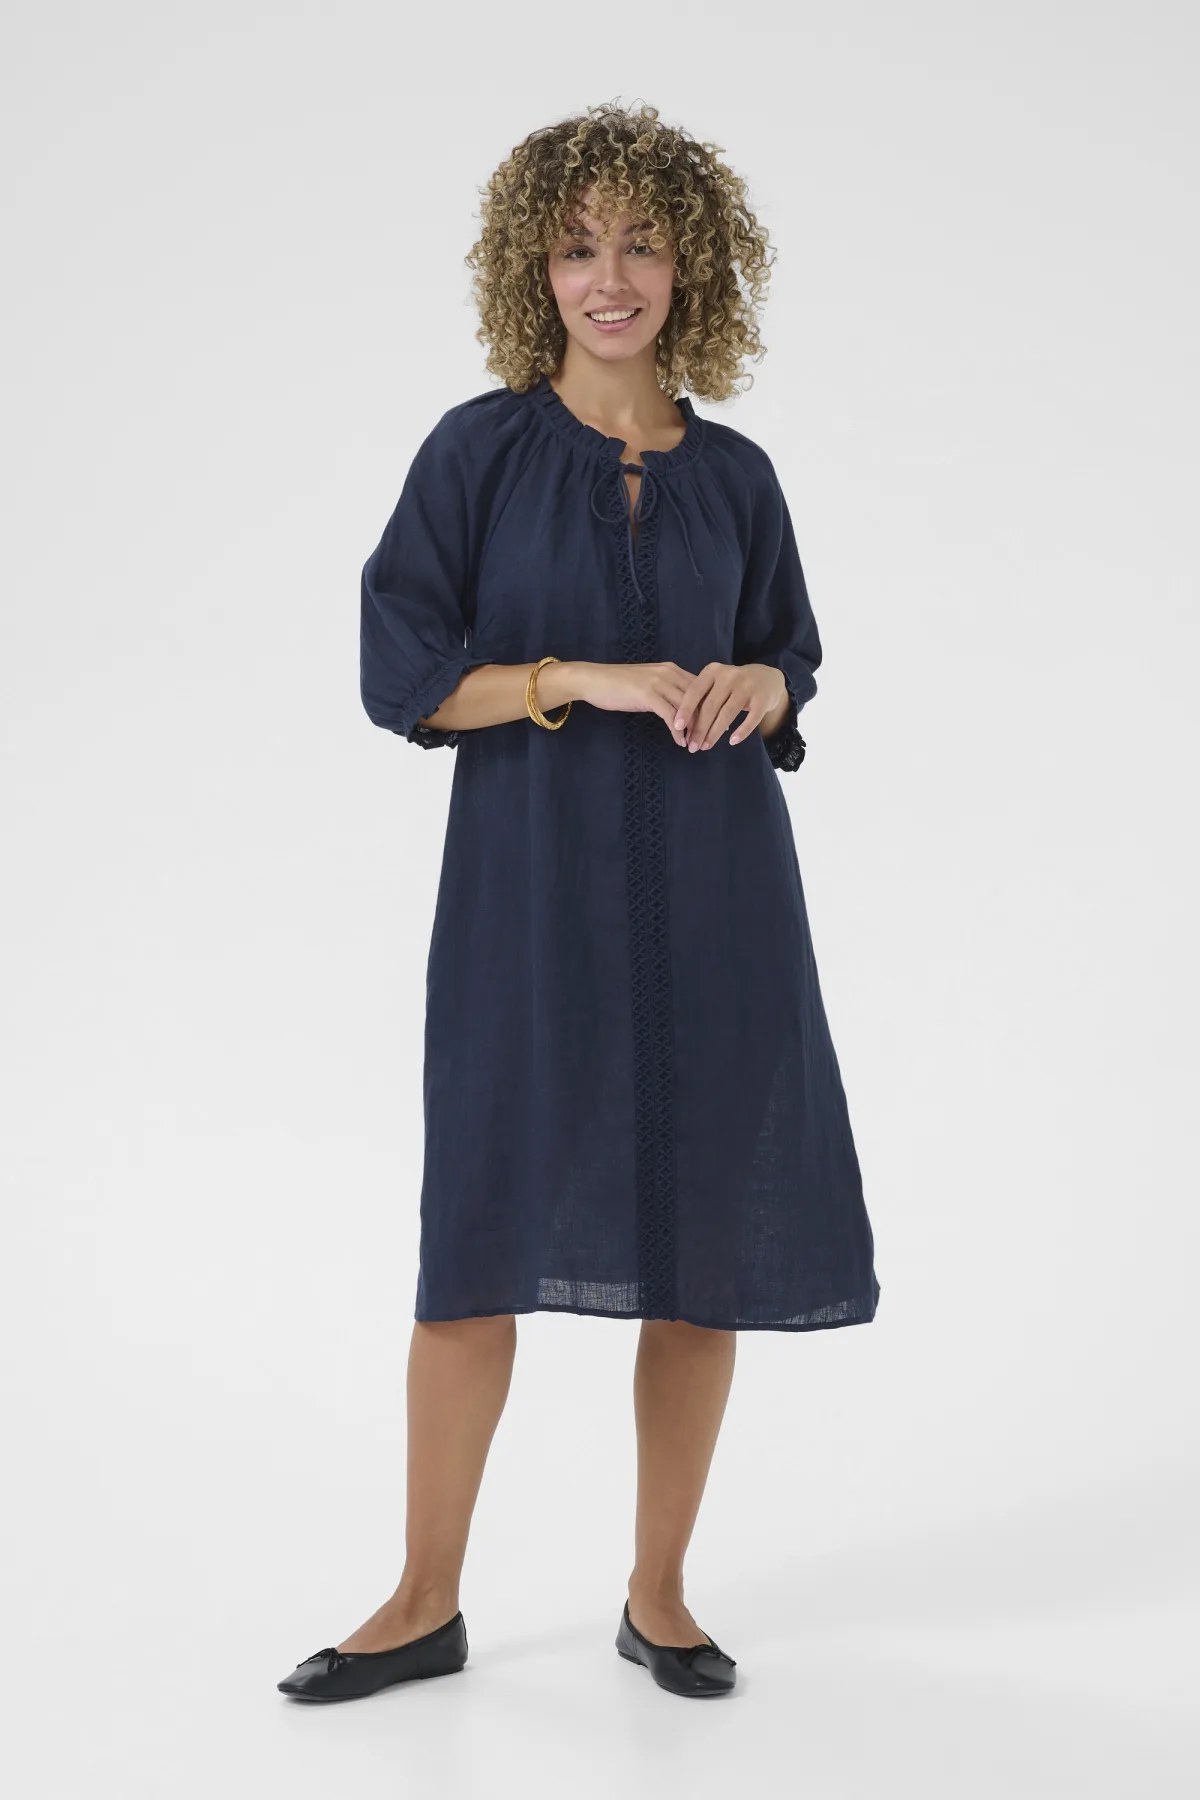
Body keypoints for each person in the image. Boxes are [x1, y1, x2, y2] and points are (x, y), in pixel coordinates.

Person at [278, 101, 880, 1706]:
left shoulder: (738, 476)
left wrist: (764, 681)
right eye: (576, 247)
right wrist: (581, 677)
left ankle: (659, 1597)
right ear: (531, 271)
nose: (609, 277)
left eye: (641, 243)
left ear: (693, 266)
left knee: (704, 1254)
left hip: (722, 905)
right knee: (475, 1243)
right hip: (527, 911)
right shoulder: (475, 455)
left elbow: (788, 654)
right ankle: (423, 1601)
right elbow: (404, 674)